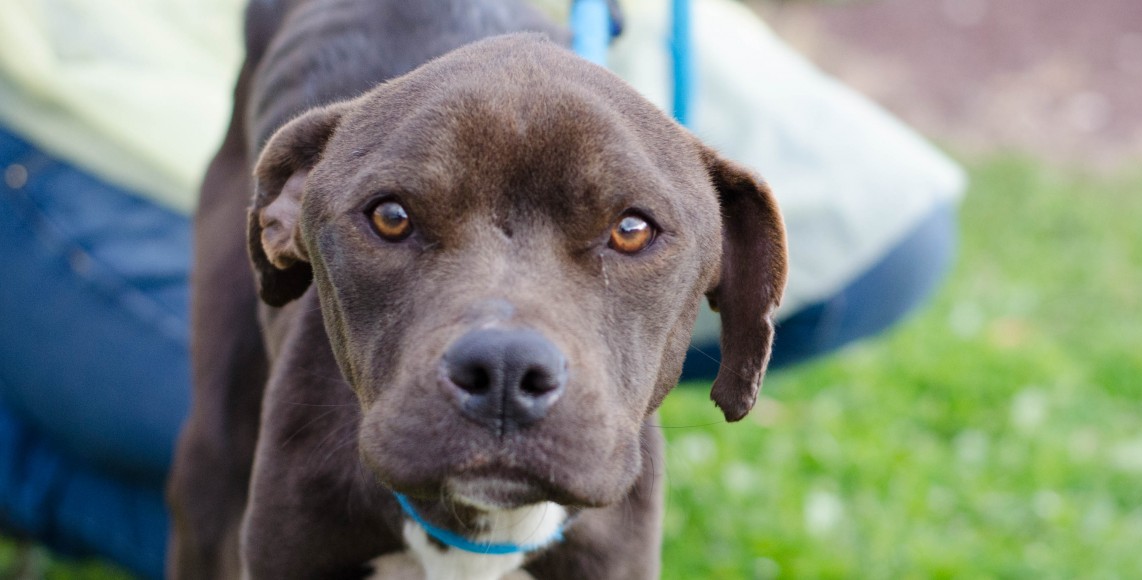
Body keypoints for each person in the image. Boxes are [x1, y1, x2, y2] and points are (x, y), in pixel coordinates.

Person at [0, 0, 964, 577]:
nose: (509, 350)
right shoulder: (308, 435)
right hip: (82, 104)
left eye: (629, 234)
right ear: (284, 229)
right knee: (211, 459)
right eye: (391, 221)